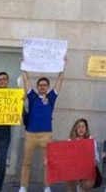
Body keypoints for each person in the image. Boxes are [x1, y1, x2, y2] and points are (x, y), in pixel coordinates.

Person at [19, 57, 67, 192]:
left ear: (47, 87)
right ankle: (23, 187)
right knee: (26, 162)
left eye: (45, 85)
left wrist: (63, 64)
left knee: (47, 163)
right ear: (38, 86)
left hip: (46, 135)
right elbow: (26, 80)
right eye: (40, 85)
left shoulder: (51, 97)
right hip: (30, 134)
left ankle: (47, 187)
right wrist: (23, 64)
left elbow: (60, 80)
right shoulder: (32, 96)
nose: (42, 87)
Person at [65, 119, 100, 192]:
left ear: (86, 128)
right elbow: (66, 158)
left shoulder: (91, 140)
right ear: (75, 129)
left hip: (86, 170)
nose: (81, 129)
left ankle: (81, 187)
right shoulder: (70, 141)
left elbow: (96, 156)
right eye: (79, 127)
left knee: (88, 183)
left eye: (83, 126)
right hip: (74, 169)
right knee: (68, 175)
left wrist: (95, 162)